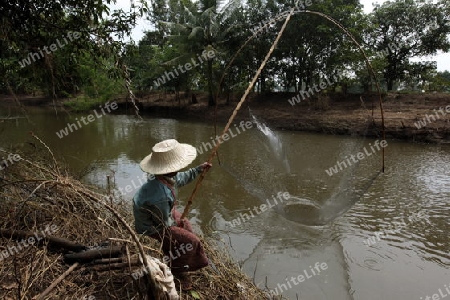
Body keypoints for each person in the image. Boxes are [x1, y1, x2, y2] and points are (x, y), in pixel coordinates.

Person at [133, 139, 211, 290]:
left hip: (162, 212)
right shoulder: (159, 195)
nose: (181, 167)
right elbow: (162, 222)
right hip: (152, 224)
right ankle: (176, 271)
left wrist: (198, 169)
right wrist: (176, 225)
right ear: (170, 169)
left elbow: (181, 178)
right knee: (191, 241)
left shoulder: (165, 177)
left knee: (187, 225)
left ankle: (174, 255)